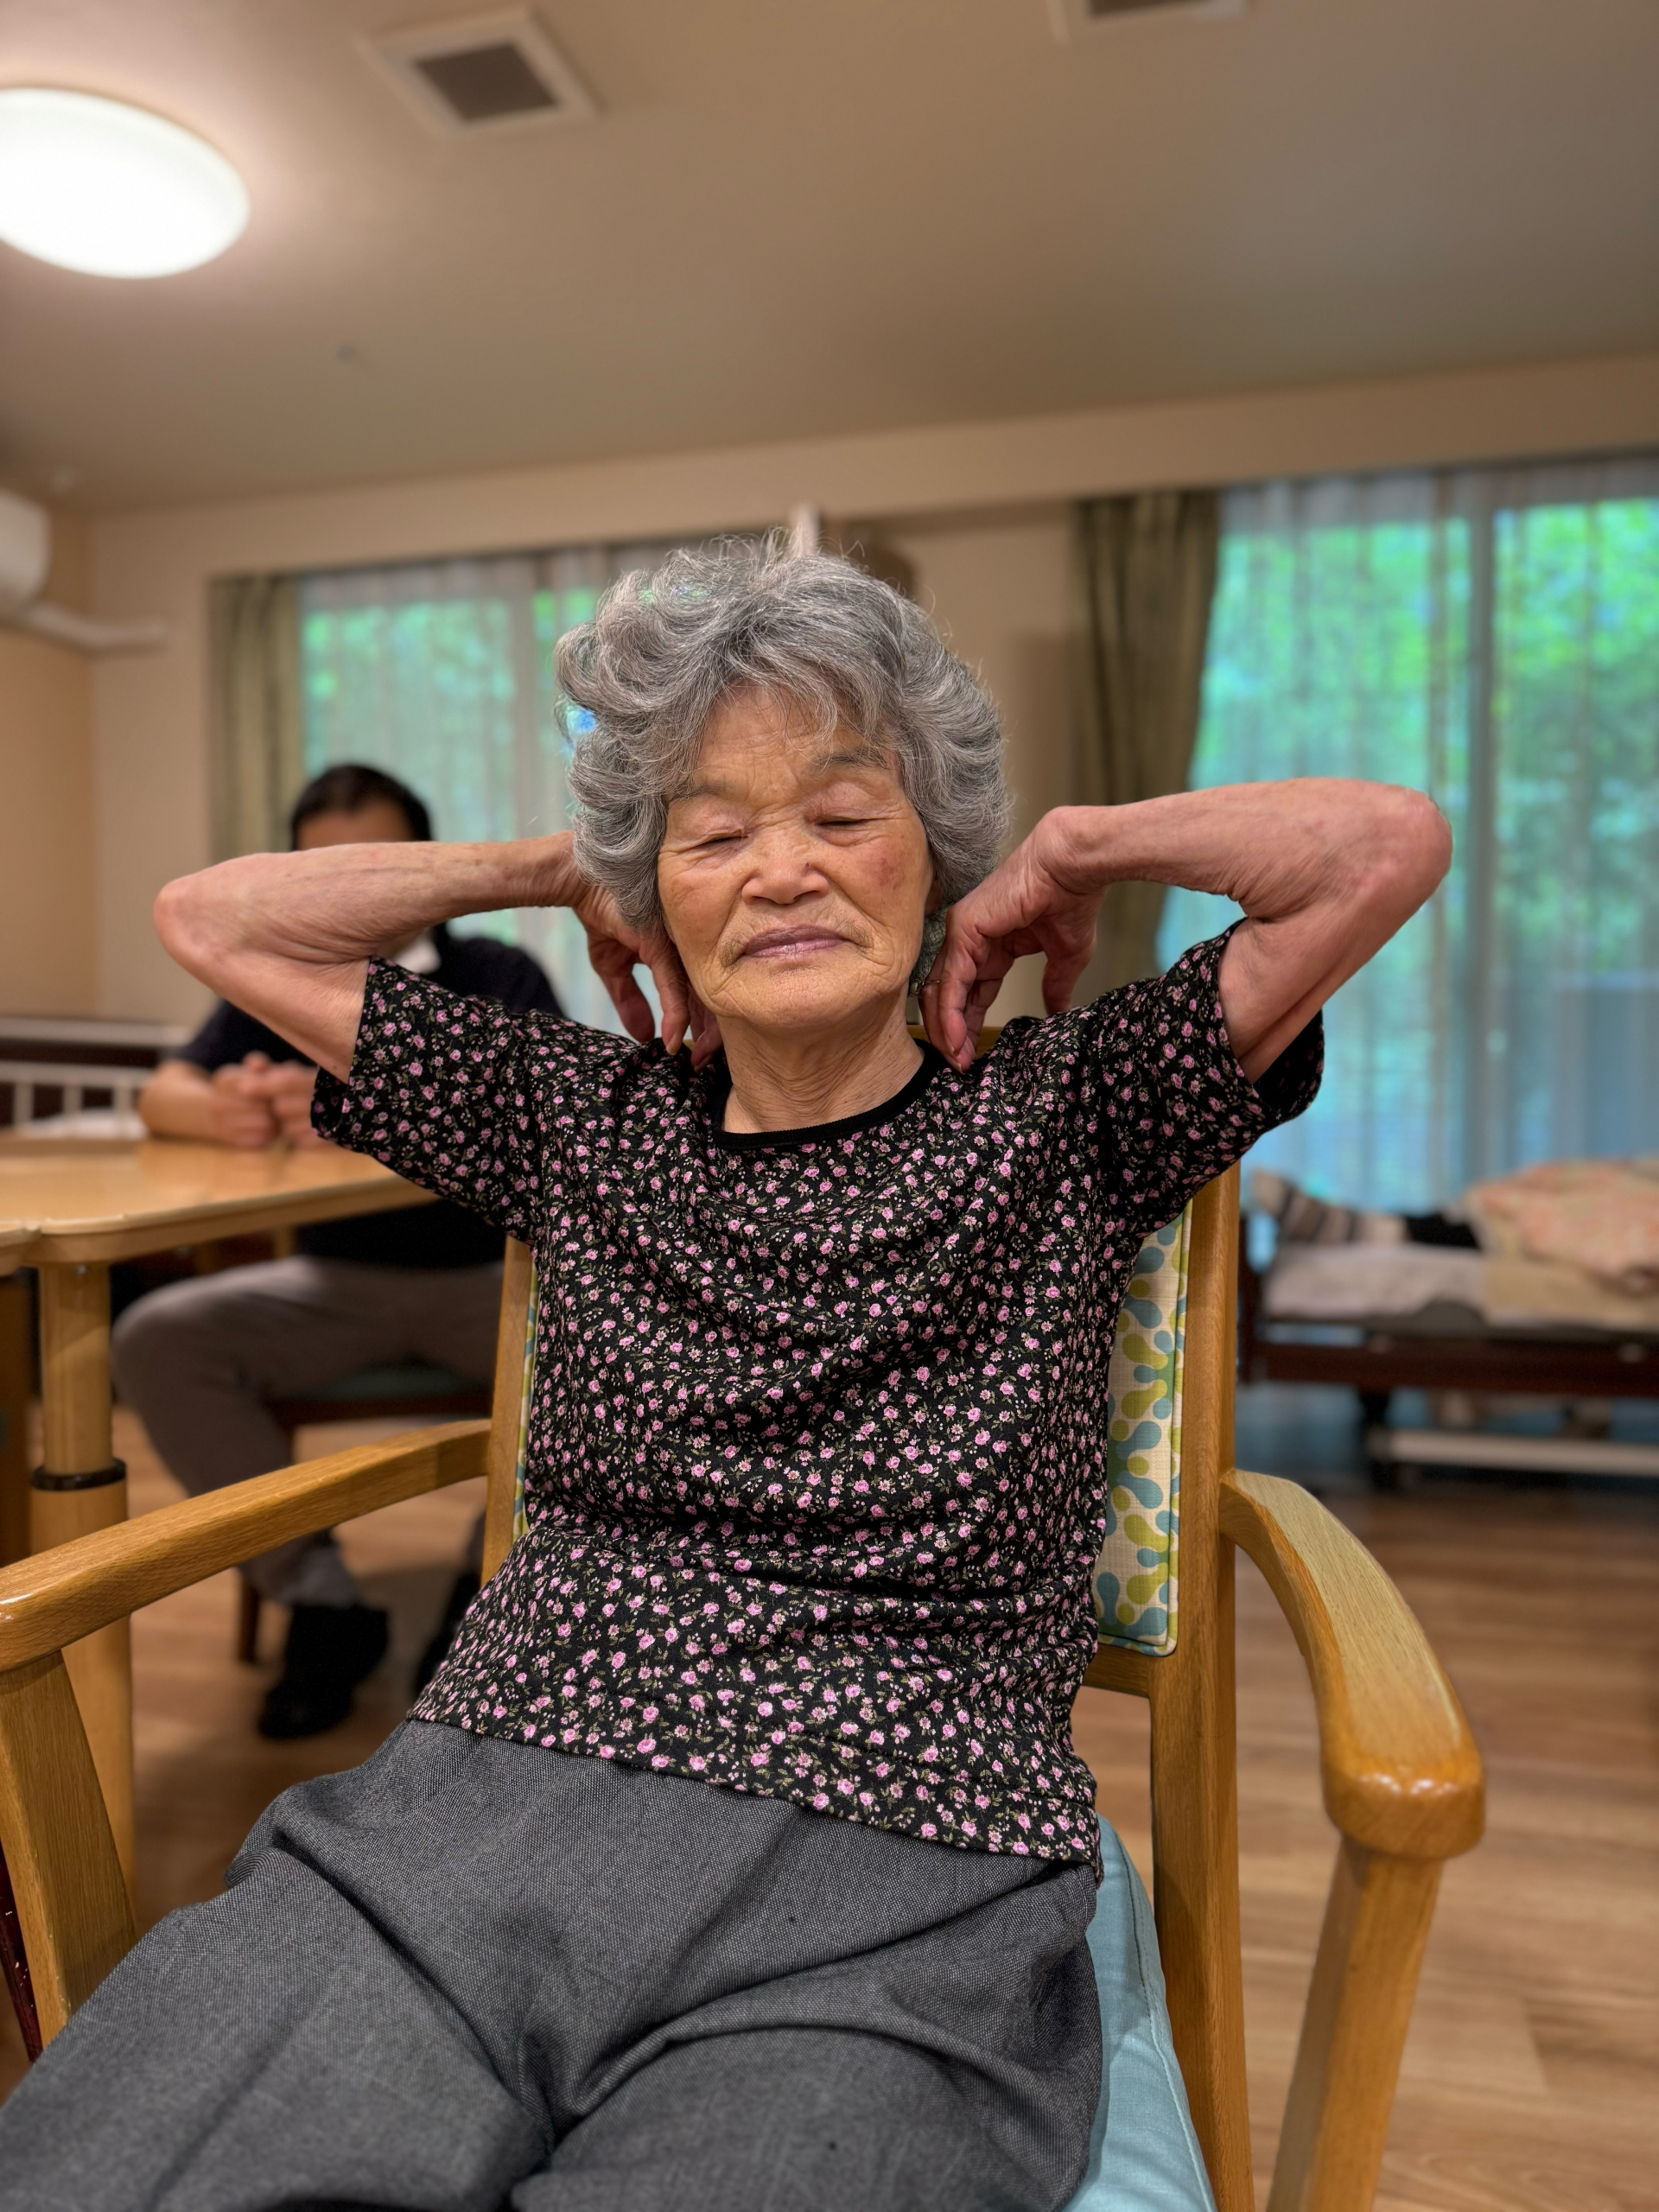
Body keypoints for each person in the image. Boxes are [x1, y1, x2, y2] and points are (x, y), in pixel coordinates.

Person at [2, 545, 1449, 2212]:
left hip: (900, 1879)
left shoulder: (1075, 1108)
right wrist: (562, 864)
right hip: (469, 1826)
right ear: (662, 905)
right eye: (712, 836)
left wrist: (1076, 845)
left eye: (842, 815)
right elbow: (212, 921)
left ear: (933, 856)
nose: (781, 871)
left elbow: (1382, 847)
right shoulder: (572, 1112)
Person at [113, 763, 562, 1738]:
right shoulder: (278, 982)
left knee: (606, 1353)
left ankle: (486, 1591)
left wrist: (350, 1112)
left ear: (419, 864)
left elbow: (544, 1133)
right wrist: (226, 1106)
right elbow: (163, 1092)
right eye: (324, 865)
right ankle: (319, 1601)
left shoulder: (496, 975)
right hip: (334, 1282)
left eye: (374, 858)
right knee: (158, 1338)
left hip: (488, 1281)